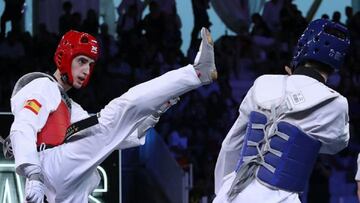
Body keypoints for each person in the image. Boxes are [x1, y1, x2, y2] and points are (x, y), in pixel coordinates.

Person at [5, 27, 217, 203]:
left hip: (62, 184)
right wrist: (33, 173)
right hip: (47, 167)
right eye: (81, 61)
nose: (87, 70)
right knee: (117, 112)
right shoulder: (42, 86)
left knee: (109, 126)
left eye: (91, 64)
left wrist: (154, 112)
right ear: (64, 57)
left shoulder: (71, 107)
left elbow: (108, 137)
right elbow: (23, 125)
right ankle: (196, 72)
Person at [213, 18, 350, 203]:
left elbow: (231, 145)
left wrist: (222, 192)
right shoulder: (335, 103)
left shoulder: (263, 83)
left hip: (233, 192)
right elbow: (335, 145)